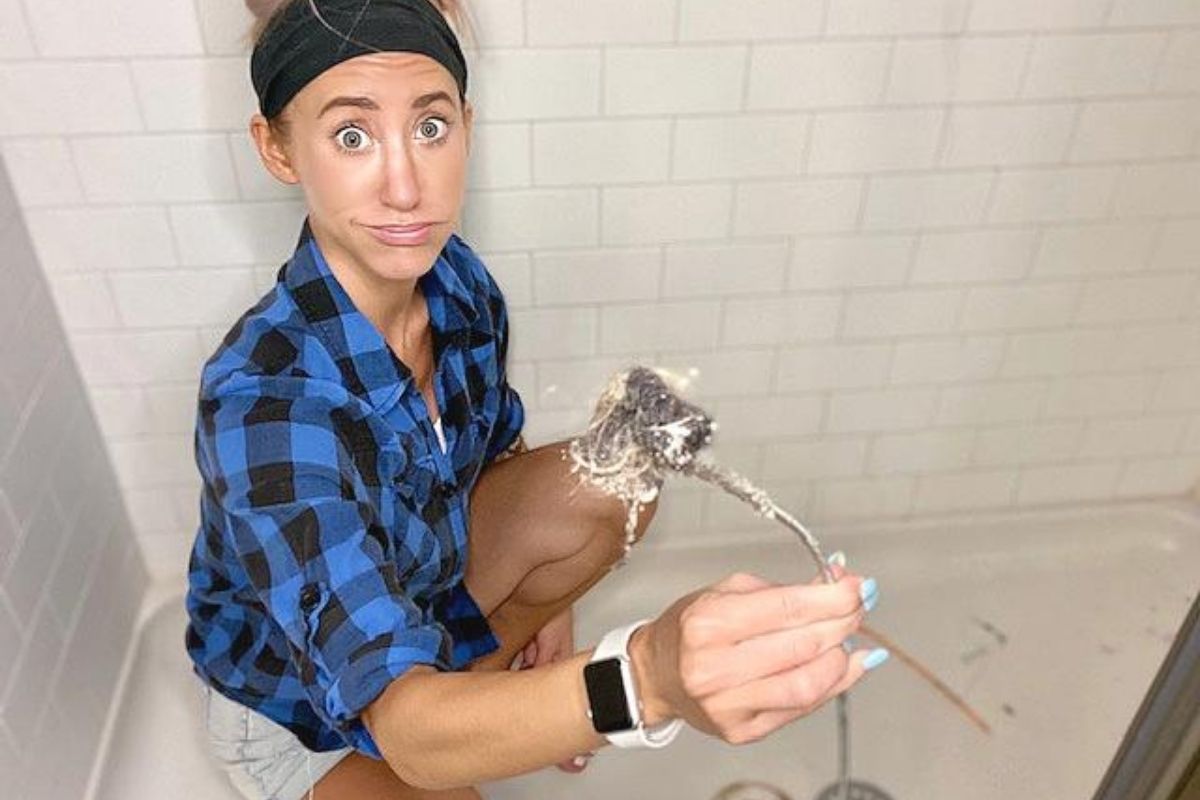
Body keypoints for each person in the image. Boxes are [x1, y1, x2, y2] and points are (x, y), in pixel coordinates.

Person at [184, 1, 890, 798]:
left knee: (613, 483)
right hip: (300, 714)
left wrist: (548, 610)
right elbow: (408, 735)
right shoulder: (266, 405)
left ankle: (475, 708)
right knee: (432, 750)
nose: (407, 185)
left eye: (430, 126)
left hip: (417, 601)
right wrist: (643, 678)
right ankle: (459, 723)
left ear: (467, 125)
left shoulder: (455, 285)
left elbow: (490, 456)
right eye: (352, 135)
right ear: (276, 148)